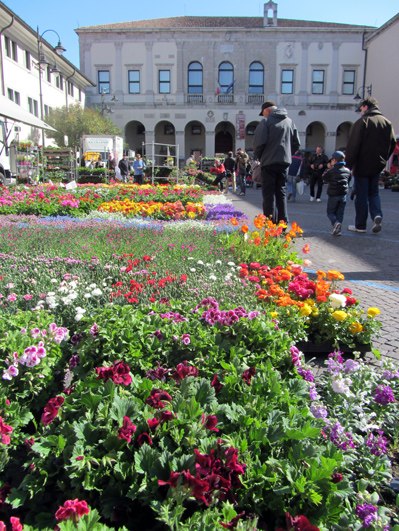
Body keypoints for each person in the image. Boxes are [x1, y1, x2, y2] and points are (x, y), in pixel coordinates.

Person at [345, 96, 396, 233]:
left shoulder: (363, 122)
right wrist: (384, 159)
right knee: (374, 193)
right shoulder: (387, 123)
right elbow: (393, 143)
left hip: (362, 164)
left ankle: (360, 225)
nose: (360, 111)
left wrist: (348, 166)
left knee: (361, 195)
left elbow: (353, 146)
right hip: (377, 164)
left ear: (366, 106)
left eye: (361, 108)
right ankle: (377, 215)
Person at [253, 100, 300, 223]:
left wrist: (260, 157)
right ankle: (283, 222)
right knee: (281, 192)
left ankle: (270, 224)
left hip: (268, 163)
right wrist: (287, 154)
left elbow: (259, 144)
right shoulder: (289, 121)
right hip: (284, 163)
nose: (263, 116)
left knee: (268, 195)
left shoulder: (266, 122)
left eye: (263, 113)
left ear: (267, 111)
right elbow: (296, 143)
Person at [322, 151, 350, 236]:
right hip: (343, 195)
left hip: (333, 195)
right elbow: (349, 180)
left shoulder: (331, 171)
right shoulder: (348, 170)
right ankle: (338, 230)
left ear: (334, 160)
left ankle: (335, 223)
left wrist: (328, 168)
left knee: (330, 212)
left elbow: (324, 178)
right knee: (340, 213)